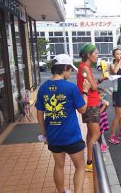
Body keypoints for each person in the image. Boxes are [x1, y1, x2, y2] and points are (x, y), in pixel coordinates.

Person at [36, 54, 91, 193]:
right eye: (70, 69)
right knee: (79, 166)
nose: (70, 72)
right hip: (71, 135)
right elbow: (82, 109)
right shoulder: (70, 88)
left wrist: (44, 134)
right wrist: (85, 91)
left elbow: (39, 113)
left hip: (53, 136)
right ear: (65, 68)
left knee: (58, 166)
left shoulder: (43, 88)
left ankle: (61, 192)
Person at [77, 44, 106, 172]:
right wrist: (99, 81)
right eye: (96, 52)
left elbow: (93, 85)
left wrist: (100, 80)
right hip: (90, 104)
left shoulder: (84, 67)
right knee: (96, 133)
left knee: (90, 134)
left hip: (90, 103)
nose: (97, 55)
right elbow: (93, 88)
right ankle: (90, 161)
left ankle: (90, 161)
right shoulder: (85, 68)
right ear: (88, 54)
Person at [98, 88, 110, 153]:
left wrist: (105, 105)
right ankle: (100, 146)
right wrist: (104, 105)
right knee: (99, 134)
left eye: (103, 96)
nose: (102, 97)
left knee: (101, 132)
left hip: (102, 119)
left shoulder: (100, 101)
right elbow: (99, 112)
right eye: (101, 96)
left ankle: (101, 144)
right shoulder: (96, 103)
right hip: (99, 120)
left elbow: (104, 110)